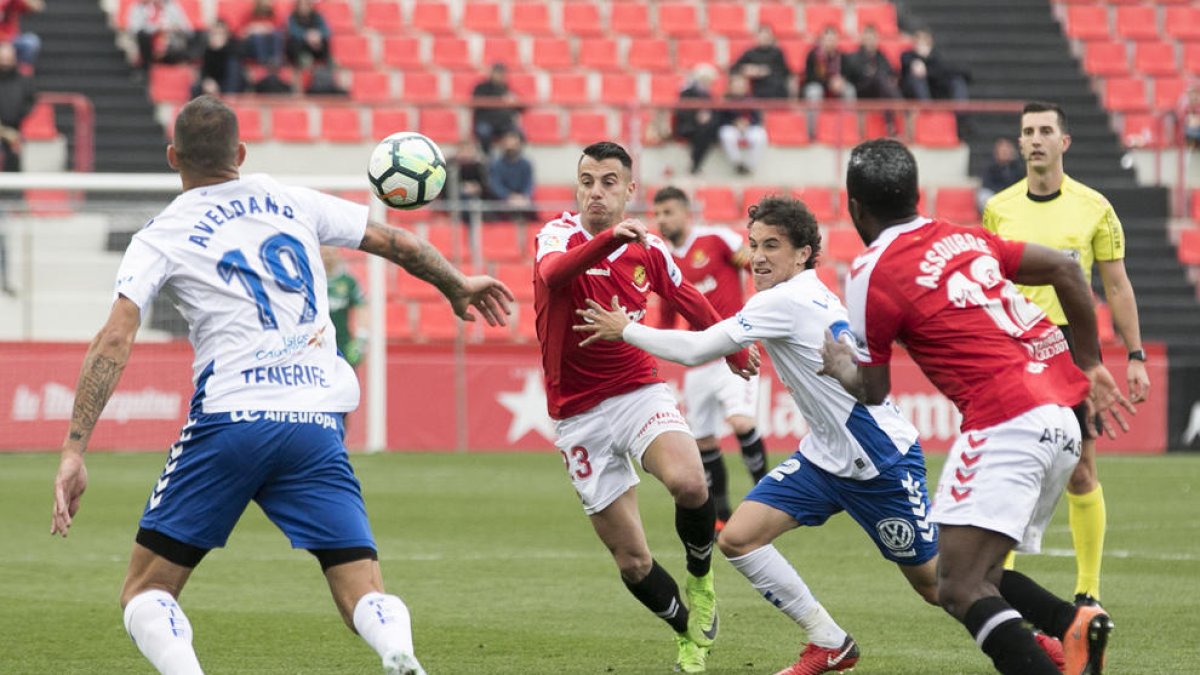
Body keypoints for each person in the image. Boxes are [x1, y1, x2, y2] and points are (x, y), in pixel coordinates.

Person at [49, 95, 514, 675]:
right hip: (317, 423)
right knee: (361, 587)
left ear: (173, 157)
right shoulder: (291, 199)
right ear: (240, 153)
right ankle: (400, 652)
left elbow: (115, 339)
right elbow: (401, 244)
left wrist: (74, 447)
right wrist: (456, 285)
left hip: (231, 421)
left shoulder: (160, 233)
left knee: (147, 589)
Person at [576, 193, 940, 675]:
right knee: (740, 537)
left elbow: (697, 347)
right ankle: (829, 641)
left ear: (804, 252)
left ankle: (1043, 635)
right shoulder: (801, 294)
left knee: (940, 587)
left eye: (773, 245)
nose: (759, 256)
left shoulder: (786, 299)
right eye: (754, 244)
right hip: (825, 456)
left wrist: (626, 329)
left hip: (878, 460)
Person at [821, 138, 1132, 674]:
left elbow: (873, 391)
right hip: (1062, 413)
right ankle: (1070, 623)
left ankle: (1062, 636)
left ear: (855, 208)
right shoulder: (961, 236)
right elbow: (1065, 268)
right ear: (918, 194)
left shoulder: (870, 270)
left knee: (958, 587)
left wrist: (838, 363)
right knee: (976, 569)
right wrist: (1091, 363)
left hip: (1007, 418)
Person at [533, 141, 753, 673]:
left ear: (631, 189)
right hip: (576, 416)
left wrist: (733, 349)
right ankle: (684, 629)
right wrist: (608, 238)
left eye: (609, 182)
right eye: (587, 180)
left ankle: (700, 578)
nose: (596, 192)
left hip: (636, 392)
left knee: (691, 483)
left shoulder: (647, 248)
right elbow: (553, 276)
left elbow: (690, 300)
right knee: (632, 561)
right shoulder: (556, 235)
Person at [982, 102, 1150, 607]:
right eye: (1027, 131)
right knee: (1012, 468)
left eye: (1045, 131)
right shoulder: (1000, 208)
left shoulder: (1094, 206)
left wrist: (1135, 354)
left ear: (1064, 142)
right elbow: (990, 285)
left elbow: (1117, 287)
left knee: (1081, 467)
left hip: (1073, 347)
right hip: (1016, 346)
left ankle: (1088, 592)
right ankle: (1000, 583)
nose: (1034, 139)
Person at [651, 186, 769, 529]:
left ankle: (768, 497)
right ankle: (721, 516)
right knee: (702, 438)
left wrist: (764, 310)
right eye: (658, 213)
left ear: (687, 213)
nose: (662, 219)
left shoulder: (716, 240)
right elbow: (666, 318)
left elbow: (755, 265)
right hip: (700, 356)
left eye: (668, 212)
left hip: (736, 348)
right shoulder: (666, 262)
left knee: (741, 421)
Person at [900, 27, 972, 138]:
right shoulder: (908, 55)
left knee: (957, 82)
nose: (921, 44)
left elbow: (941, 72)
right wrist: (919, 60)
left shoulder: (935, 58)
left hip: (935, 91)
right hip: (912, 91)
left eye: (924, 41)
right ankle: (927, 109)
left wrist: (926, 66)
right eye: (919, 40)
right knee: (917, 77)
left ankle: (961, 117)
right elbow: (907, 67)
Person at [845, 25, 901, 135]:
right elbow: (853, 74)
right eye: (868, 38)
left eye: (872, 38)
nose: (870, 41)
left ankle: (890, 123)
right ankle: (899, 102)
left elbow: (890, 72)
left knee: (882, 82)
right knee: (880, 79)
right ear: (863, 39)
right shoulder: (854, 56)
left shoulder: (881, 55)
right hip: (862, 90)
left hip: (880, 91)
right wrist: (868, 74)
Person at [672, 63, 721, 176]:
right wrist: (697, 117)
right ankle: (695, 164)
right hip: (689, 126)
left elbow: (715, 114)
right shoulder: (686, 93)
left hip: (705, 128)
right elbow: (682, 113)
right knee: (704, 131)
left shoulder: (709, 96)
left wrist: (708, 118)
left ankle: (695, 163)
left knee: (709, 129)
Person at [717, 73, 768, 176]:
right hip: (732, 128)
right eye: (736, 85)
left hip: (749, 128)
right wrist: (734, 122)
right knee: (726, 134)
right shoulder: (724, 100)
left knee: (760, 135)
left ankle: (750, 166)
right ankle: (738, 163)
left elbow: (758, 119)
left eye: (741, 85)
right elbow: (719, 120)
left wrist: (747, 123)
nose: (739, 88)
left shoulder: (752, 100)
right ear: (730, 87)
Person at [322, 246, 365, 369]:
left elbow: (361, 308)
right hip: (319, 344)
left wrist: (361, 338)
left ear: (338, 255)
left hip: (343, 344)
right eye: (325, 253)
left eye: (332, 253)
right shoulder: (313, 281)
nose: (329, 257)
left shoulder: (348, 282)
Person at [127, 0, 195, 77]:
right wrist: (155, 28)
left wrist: (174, 28)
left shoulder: (172, 6)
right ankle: (146, 71)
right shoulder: (139, 7)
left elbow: (188, 30)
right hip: (147, 46)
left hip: (170, 44)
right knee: (142, 36)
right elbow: (134, 29)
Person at [471, 63, 523, 156]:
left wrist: (514, 101)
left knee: (519, 133)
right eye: (497, 73)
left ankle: (512, 159)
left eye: (501, 73)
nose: (499, 76)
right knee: (484, 132)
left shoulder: (506, 88)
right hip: (485, 121)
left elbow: (521, 107)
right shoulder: (481, 87)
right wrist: (500, 100)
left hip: (503, 123)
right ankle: (487, 156)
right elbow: (476, 102)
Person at [487, 129, 535, 223]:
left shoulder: (526, 164)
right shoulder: (495, 164)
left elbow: (529, 184)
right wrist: (508, 197)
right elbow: (495, 185)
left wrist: (524, 197)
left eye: (514, 144)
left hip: (522, 202)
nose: (511, 147)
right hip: (501, 203)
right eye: (508, 144)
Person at [730, 25, 791, 99]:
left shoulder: (777, 52)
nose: (764, 39)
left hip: (777, 90)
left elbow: (785, 72)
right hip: (759, 91)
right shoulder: (750, 53)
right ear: (757, 37)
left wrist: (765, 71)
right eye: (762, 36)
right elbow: (734, 68)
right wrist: (747, 70)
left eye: (766, 36)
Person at [0, 40, 34, 172]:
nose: (5, 62)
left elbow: (30, 102)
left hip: (15, 130)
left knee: (14, 156)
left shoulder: (24, 81)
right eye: (2, 59)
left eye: (8, 59)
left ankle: (12, 192)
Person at [190, 20, 245, 98]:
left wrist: (218, 89)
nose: (216, 37)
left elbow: (234, 82)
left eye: (220, 33)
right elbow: (204, 73)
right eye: (213, 33)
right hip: (212, 88)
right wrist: (207, 82)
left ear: (226, 36)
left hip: (229, 90)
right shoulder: (207, 51)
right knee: (196, 88)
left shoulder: (233, 52)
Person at [803, 26, 856, 107]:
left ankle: (848, 118)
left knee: (849, 90)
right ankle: (812, 120)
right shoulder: (813, 55)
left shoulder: (841, 56)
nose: (830, 42)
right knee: (814, 91)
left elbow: (848, 73)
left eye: (833, 40)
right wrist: (829, 83)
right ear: (822, 40)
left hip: (837, 85)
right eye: (828, 39)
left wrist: (842, 81)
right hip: (818, 84)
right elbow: (810, 76)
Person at [976, 137, 1023, 215]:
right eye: (1003, 151)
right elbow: (987, 185)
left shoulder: (1017, 167)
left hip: (1011, 198)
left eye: (1008, 150)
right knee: (983, 196)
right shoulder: (990, 166)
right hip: (995, 196)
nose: (1005, 153)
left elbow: (1020, 185)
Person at [236, 0, 284, 66]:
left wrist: (262, 28)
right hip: (254, 47)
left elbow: (279, 30)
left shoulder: (275, 14)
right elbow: (240, 33)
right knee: (257, 37)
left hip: (270, 45)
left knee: (277, 35)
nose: (268, 3)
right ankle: (263, 62)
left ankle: (276, 60)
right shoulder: (249, 14)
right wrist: (251, 29)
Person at [284, 0, 330, 68]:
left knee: (324, 42)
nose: (303, 7)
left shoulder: (317, 16)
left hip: (314, 44)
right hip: (300, 46)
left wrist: (317, 35)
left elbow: (326, 31)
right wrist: (307, 35)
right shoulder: (292, 17)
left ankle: (325, 64)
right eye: (301, 5)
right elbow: (293, 31)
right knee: (293, 42)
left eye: (306, 4)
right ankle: (302, 61)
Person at [0, 0, 42, 65]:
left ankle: (23, 68)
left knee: (31, 41)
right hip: (4, 41)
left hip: (12, 39)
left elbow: (37, 6)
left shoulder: (12, 2)